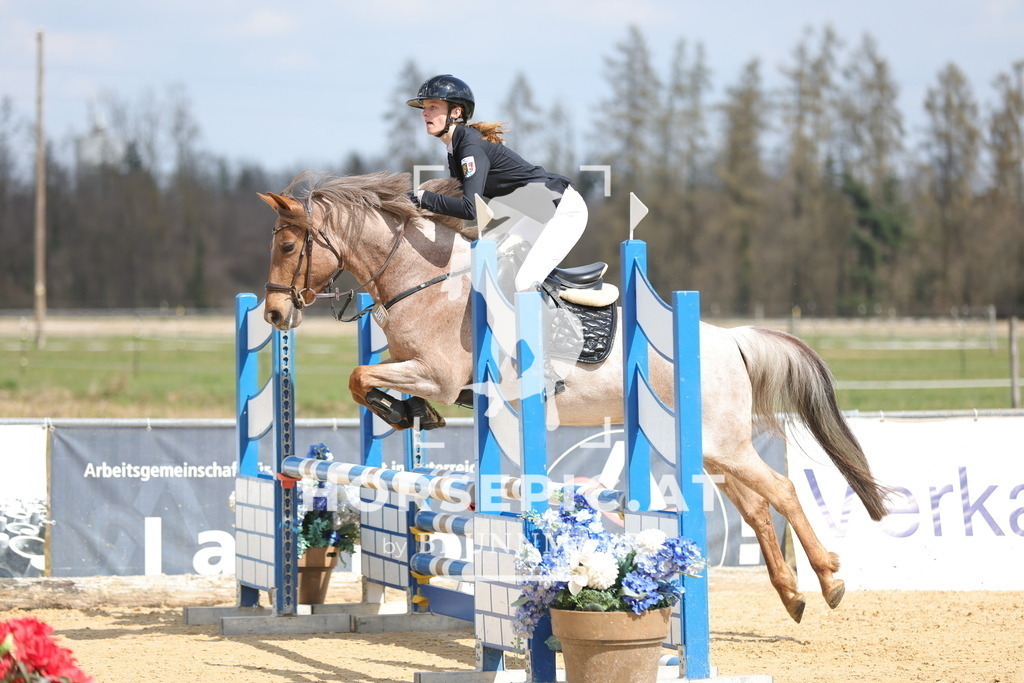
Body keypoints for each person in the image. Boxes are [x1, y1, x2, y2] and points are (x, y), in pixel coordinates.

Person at [406, 74, 588, 292]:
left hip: (564, 212)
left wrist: (423, 198)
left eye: (433, 106)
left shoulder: (469, 148)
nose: (425, 112)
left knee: (524, 283)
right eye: (424, 107)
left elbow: (469, 208)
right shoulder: (455, 150)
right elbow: (453, 204)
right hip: (541, 216)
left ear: (456, 112)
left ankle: (561, 323)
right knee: (499, 263)